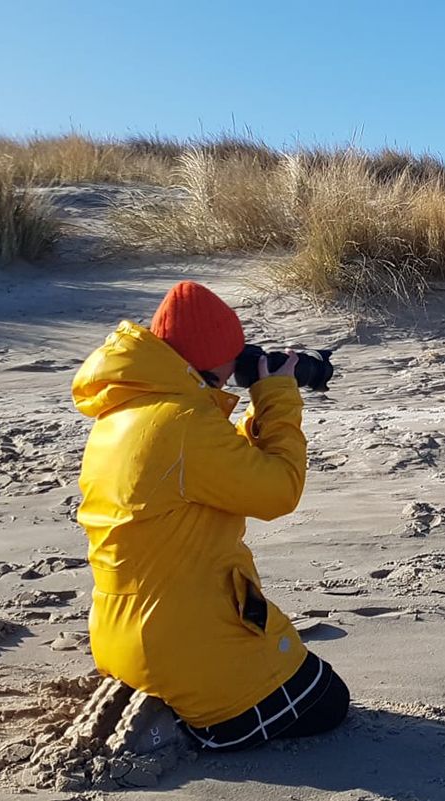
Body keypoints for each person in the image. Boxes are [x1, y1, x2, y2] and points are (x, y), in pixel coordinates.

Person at [72, 280, 349, 751]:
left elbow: (212, 467)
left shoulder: (127, 412)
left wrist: (252, 411)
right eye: (234, 353)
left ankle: (163, 693)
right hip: (183, 644)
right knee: (327, 700)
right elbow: (279, 492)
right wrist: (278, 398)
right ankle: (182, 729)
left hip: (119, 634)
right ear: (211, 359)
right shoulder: (184, 425)